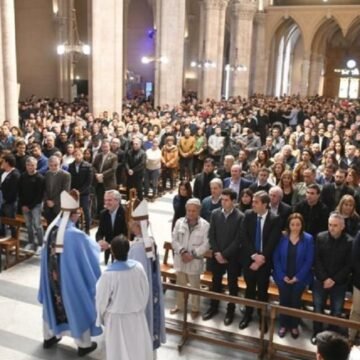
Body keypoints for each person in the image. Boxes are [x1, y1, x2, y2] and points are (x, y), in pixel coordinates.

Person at [38, 190, 101, 356]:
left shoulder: (52, 227)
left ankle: (49, 337)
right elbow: (90, 251)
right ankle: (84, 345)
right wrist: (98, 246)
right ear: (73, 215)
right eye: (77, 213)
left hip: (51, 280)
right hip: (69, 281)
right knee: (76, 305)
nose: (78, 216)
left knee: (52, 305)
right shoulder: (74, 235)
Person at [96, 235, 153, 360]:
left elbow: (101, 300)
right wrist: (139, 308)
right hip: (136, 316)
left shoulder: (108, 275)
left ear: (112, 252)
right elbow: (145, 291)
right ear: (128, 250)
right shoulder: (138, 268)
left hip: (116, 319)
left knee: (118, 353)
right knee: (137, 350)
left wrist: (101, 317)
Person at [240, 191, 282, 331]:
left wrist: (261, 258)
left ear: (265, 204)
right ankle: (247, 314)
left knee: (263, 291)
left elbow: (272, 241)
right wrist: (253, 256)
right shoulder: (248, 215)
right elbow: (244, 237)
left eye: (256, 202)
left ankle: (262, 318)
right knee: (249, 289)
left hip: (264, 262)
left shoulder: (275, 219)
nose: (253, 204)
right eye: (253, 202)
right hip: (249, 260)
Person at [128, 200, 166, 352]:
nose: (130, 225)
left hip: (140, 294)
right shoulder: (149, 242)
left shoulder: (138, 248)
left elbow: (134, 275)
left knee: (144, 319)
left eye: (132, 222)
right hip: (150, 290)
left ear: (138, 226)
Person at [202, 189, 244, 326]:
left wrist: (224, 254)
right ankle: (213, 307)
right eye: (222, 199)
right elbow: (211, 235)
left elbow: (238, 239)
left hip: (232, 257)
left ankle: (230, 311)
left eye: (226, 200)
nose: (223, 202)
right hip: (217, 255)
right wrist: (217, 253)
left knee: (232, 284)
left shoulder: (240, 217)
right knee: (216, 282)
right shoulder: (215, 214)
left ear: (233, 201)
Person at [311, 212, 353, 345]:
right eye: (330, 225)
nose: (332, 228)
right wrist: (325, 278)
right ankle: (317, 333)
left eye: (335, 225)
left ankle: (331, 337)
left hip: (339, 283)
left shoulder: (349, 241)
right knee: (318, 308)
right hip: (320, 281)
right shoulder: (320, 237)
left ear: (342, 226)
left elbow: (349, 265)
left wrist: (333, 279)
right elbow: (317, 259)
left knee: (336, 310)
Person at [273, 213, 314, 339]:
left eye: (298, 224)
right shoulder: (282, 237)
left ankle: (294, 325)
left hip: (299, 278)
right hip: (283, 277)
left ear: (302, 225)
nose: (295, 227)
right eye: (292, 224)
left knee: (296, 302)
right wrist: (282, 275)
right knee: (284, 301)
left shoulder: (308, 239)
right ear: (288, 225)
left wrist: (298, 277)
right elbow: (276, 258)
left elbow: (309, 260)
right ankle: (284, 324)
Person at [171, 198, 210, 319]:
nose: (191, 213)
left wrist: (192, 254)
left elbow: (206, 244)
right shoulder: (179, 222)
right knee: (180, 285)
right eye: (188, 210)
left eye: (194, 211)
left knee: (194, 287)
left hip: (194, 260)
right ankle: (180, 305)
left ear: (199, 211)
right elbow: (174, 239)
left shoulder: (205, 225)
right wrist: (182, 252)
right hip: (181, 259)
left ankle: (195, 308)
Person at [18, 157, 45, 254]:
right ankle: (31, 242)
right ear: (26, 166)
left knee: (37, 225)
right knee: (28, 225)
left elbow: (39, 195)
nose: (30, 167)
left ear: (36, 166)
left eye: (32, 165)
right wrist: (23, 205)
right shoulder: (22, 176)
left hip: (35, 205)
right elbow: (20, 192)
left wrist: (29, 206)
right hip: (25, 205)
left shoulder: (40, 178)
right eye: (28, 165)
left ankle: (41, 244)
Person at [96, 190, 128, 265]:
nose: (106, 203)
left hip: (122, 248)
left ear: (117, 201)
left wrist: (111, 245)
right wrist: (100, 241)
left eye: (109, 200)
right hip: (108, 247)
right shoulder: (103, 213)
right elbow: (99, 232)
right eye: (105, 200)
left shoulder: (125, 213)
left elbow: (125, 234)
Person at [68, 148, 93, 234]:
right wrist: (73, 190)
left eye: (79, 155)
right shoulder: (70, 166)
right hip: (74, 192)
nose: (77, 157)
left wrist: (80, 191)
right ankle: (76, 227)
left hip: (84, 193)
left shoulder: (88, 166)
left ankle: (87, 229)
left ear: (82, 155)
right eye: (76, 155)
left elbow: (88, 182)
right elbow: (70, 179)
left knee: (86, 210)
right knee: (74, 211)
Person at [92, 139, 118, 216]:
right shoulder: (98, 155)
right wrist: (96, 174)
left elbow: (113, 169)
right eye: (103, 147)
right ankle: (99, 215)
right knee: (99, 199)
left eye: (106, 147)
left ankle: (108, 215)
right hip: (98, 181)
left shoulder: (114, 156)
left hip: (108, 182)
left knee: (109, 200)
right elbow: (93, 166)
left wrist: (102, 174)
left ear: (109, 147)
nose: (105, 148)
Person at [43, 155, 71, 224]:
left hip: (59, 206)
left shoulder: (66, 175)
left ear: (60, 164)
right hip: (48, 205)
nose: (53, 167)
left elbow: (65, 191)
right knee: (49, 226)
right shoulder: (47, 174)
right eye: (51, 165)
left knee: (58, 228)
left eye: (56, 165)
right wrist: (47, 200)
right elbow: (45, 189)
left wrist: (54, 202)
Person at [0, 154, 21, 236]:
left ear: (7, 162)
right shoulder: (3, 172)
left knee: (12, 224)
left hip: (10, 203)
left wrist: (5, 200)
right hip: (2, 202)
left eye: (3, 161)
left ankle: (14, 240)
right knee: (1, 223)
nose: (1, 163)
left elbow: (13, 191)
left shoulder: (15, 175)